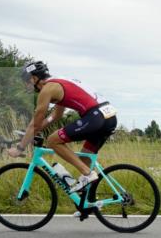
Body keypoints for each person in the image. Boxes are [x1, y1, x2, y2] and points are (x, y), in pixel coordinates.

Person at [9, 61, 117, 193]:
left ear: (35, 78)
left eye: (26, 81)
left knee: (53, 140)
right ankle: (87, 206)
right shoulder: (58, 83)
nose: (25, 85)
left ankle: (87, 174)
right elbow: (55, 116)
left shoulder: (47, 89)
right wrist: (30, 133)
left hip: (95, 116)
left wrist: (20, 148)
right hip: (108, 117)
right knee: (84, 159)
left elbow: (36, 123)